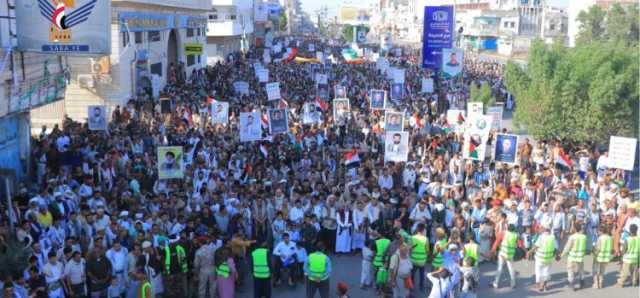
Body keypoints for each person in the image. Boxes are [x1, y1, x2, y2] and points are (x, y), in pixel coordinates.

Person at [528, 223, 557, 292]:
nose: (541, 229)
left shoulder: (541, 237)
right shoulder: (553, 237)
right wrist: (557, 255)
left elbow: (536, 246)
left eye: (542, 228)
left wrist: (529, 252)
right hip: (549, 258)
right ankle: (545, 285)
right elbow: (555, 248)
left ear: (544, 229)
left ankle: (539, 286)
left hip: (540, 258)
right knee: (546, 271)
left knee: (538, 271)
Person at [491, 224, 517, 289]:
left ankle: (495, 283)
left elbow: (496, 242)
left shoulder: (503, 233)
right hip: (510, 254)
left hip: (503, 253)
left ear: (507, 228)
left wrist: (492, 251)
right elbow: (519, 244)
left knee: (499, 268)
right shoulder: (515, 235)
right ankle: (513, 283)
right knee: (511, 269)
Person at [561, 223, 587, 290]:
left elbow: (567, 248)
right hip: (580, 257)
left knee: (570, 270)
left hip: (572, 257)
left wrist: (561, 255)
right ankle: (582, 282)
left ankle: (571, 284)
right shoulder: (584, 237)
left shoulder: (572, 237)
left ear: (575, 229)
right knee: (581, 270)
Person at [409, 223, 429, 290]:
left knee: (412, 274)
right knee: (421, 274)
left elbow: (410, 249)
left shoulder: (412, 238)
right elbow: (427, 251)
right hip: (422, 261)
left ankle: (411, 286)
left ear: (417, 229)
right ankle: (421, 287)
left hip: (413, 260)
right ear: (423, 230)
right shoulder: (426, 239)